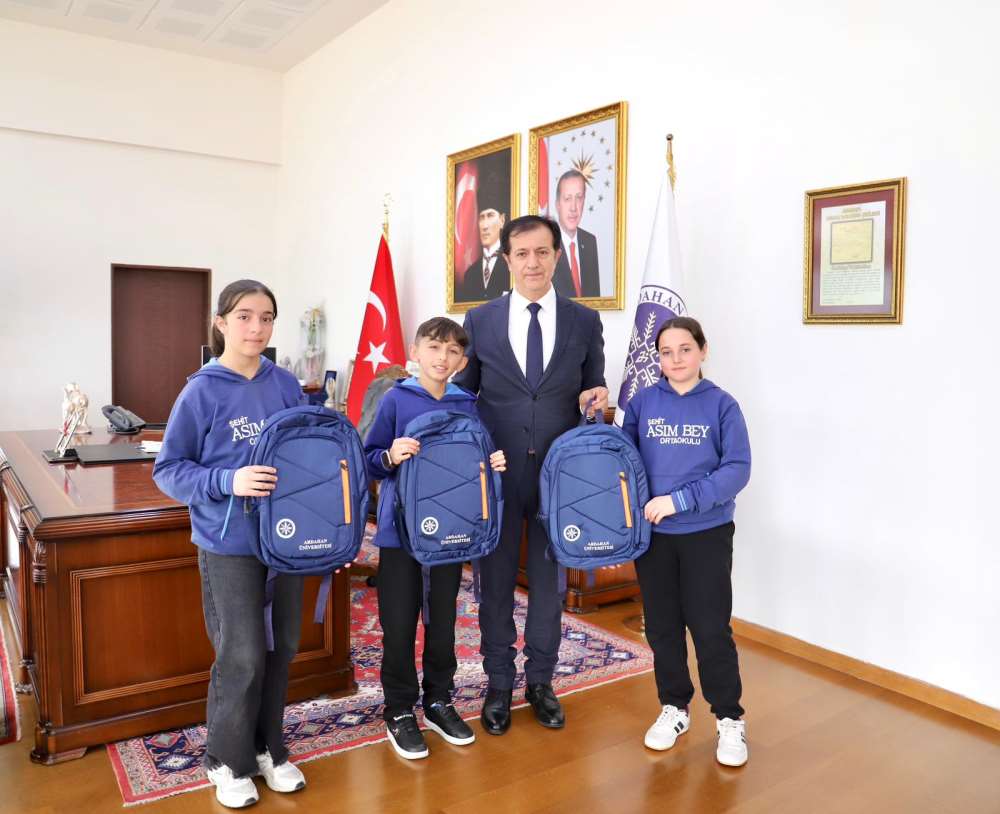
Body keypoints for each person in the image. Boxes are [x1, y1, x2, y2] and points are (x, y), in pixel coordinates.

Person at [153, 280, 309, 808]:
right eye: (244, 316)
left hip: (286, 540)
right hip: (229, 543)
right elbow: (169, 469)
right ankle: (226, 759)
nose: (256, 328)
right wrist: (228, 480)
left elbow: (305, 451)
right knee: (241, 654)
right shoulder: (201, 391)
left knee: (281, 648)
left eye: (266, 318)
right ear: (221, 323)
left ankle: (268, 749)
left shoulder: (285, 384)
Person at [455, 215, 607, 735]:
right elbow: (464, 396)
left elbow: (593, 387)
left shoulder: (585, 321)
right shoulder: (480, 321)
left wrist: (597, 397)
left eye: (542, 252)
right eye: (521, 253)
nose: (533, 263)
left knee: (549, 586)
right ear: (507, 259)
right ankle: (499, 682)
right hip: (497, 475)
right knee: (494, 583)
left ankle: (541, 681)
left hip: (558, 480)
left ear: (558, 256)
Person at [364, 317, 507, 760]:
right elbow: (367, 458)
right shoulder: (396, 399)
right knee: (399, 621)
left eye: (452, 351)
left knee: (443, 619)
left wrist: (494, 463)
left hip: (451, 529)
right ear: (416, 351)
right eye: (434, 347)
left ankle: (439, 700)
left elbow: (478, 456)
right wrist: (390, 455)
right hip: (400, 532)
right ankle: (399, 708)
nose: (442, 358)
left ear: (462, 360)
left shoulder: (468, 403)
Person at [621, 316, 752, 768]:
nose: (675, 359)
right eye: (666, 352)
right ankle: (674, 708)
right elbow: (622, 460)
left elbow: (737, 470)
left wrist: (680, 500)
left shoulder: (722, 405)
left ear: (702, 350)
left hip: (705, 534)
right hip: (653, 538)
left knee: (710, 627)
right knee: (662, 627)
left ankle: (729, 717)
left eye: (685, 349)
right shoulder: (642, 403)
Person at [457, 169, 511, 303]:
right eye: (482, 217)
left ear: (502, 220)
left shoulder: (512, 267)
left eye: (490, 215)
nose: (485, 225)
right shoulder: (470, 274)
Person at [552, 170, 600, 298]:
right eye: (567, 199)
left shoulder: (590, 241)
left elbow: (594, 298)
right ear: (557, 205)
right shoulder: (547, 244)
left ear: (584, 201)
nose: (573, 208)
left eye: (579, 198)